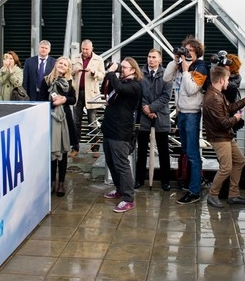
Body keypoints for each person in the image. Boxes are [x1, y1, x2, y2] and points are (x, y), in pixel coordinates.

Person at [203, 66, 245, 208]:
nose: (228, 82)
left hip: (224, 136)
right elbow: (224, 123)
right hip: (220, 138)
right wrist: (237, 118)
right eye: (227, 79)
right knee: (226, 168)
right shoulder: (214, 98)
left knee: (239, 161)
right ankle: (213, 195)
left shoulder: (216, 94)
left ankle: (233, 194)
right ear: (221, 80)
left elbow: (229, 108)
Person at [163, 36, 209, 205]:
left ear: (197, 53)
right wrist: (175, 60)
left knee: (193, 153)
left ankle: (194, 191)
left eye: (190, 51)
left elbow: (191, 89)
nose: (187, 53)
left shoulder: (201, 68)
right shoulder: (181, 65)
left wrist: (186, 70)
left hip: (192, 114)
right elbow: (166, 78)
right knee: (186, 151)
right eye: (185, 50)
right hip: (181, 113)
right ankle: (190, 182)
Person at [101, 58, 143, 213]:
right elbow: (104, 89)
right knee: (111, 162)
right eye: (121, 67)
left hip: (121, 131)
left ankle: (128, 198)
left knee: (121, 164)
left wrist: (112, 73)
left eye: (124, 67)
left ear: (133, 70)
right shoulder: (120, 81)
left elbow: (119, 88)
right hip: (109, 128)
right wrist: (109, 74)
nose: (121, 69)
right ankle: (119, 189)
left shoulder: (135, 85)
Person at [39, 57, 78, 197]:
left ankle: (61, 183)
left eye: (65, 65)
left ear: (68, 68)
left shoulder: (70, 82)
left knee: (63, 151)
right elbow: (41, 100)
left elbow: (73, 100)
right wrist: (53, 104)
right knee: (51, 151)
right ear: (56, 64)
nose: (62, 65)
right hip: (50, 118)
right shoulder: (46, 80)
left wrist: (64, 99)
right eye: (60, 63)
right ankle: (52, 182)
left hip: (65, 119)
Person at [135, 49, 173, 191]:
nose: (150, 59)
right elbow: (138, 93)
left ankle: (165, 181)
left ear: (160, 60)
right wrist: (146, 109)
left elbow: (166, 96)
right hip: (143, 116)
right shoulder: (140, 74)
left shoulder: (166, 75)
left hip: (160, 115)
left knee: (163, 150)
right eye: (149, 57)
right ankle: (139, 179)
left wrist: (151, 108)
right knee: (141, 149)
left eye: (153, 57)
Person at [71, 39, 106, 138]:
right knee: (76, 121)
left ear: (92, 49)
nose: (84, 51)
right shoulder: (74, 58)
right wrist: (74, 71)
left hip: (91, 94)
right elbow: (68, 73)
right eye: (83, 49)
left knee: (92, 121)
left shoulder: (99, 59)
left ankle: (94, 145)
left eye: (87, 49)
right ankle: (75, 145)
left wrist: (94, 72)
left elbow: (102, 75)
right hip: (77, 93)